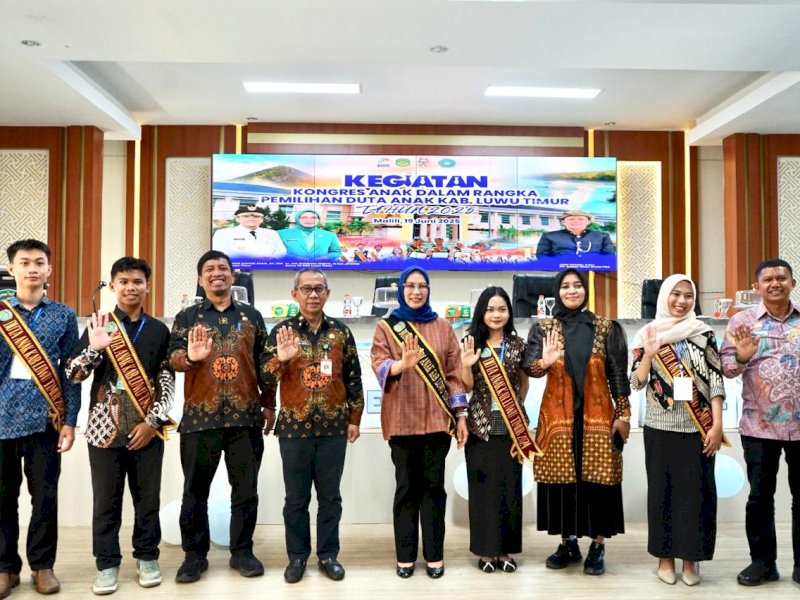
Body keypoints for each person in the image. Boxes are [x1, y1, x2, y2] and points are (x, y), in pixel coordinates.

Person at [66, 257, 175, 595]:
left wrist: (152, 422)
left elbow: (166, 378)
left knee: (148, 500)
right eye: (124, 281)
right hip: (103, 431)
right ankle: (107, 564)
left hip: (146, 430)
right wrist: (93, 351)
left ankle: (147, 557)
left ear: (147, 286)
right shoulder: (100, 324)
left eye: (137, 281)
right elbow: (74, 373)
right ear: (113, 285)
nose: (131, 287)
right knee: (106, 502)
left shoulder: (158, 330)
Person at [167, 250, 274, 584]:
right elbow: (171, 359)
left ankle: (242, 552)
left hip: (246, 418)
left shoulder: (252, 317)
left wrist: (269, 403)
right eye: (209, 269)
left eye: (223, 269)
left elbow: (266, 365)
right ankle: (194, 557)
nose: (217, 273)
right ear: (200, 279)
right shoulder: (186, 317)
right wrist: (189, 357)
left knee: (245, 491)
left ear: (232, 276)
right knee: (194, 491)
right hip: (201, 419)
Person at [523, 268, 631, 576]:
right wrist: (543, 361)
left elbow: (618, 375)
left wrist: (623, 414)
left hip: (598, 418)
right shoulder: (544, 328)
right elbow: (530, 369)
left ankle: (597, 547)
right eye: (566, 286)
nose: (572, 291)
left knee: (599, 483)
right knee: (563, 485)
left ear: (585, 290)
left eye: (577, 285)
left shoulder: (606, 327)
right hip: (559, 419)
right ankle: (568, 543)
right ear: (557, 291)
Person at [262, 269, 364, 584]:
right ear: (295, 294)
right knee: (296, 499)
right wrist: (280, 359)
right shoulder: (282, 332)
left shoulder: (341, 333)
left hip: (333, 428)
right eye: (306, 289)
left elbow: (354, 379)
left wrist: (355, 419)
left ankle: (328, 555)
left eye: (319, 288)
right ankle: (297, 557)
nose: (313, 294)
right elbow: (264, 379)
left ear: (328, 293)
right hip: (294, 429)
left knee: (330, 497)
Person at [370, 266, 468, 579]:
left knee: (433, 490)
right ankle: (405, 555)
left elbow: (454, 376)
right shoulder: (387, 327)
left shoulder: (443, 326)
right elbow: (378, 364)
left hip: (438, 423)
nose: (416, 291)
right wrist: (400, 365)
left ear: (428, 290)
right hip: (401, 422)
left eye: (422, 286)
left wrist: (460, 415)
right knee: (406, 490)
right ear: (401, 289)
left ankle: (435, 555)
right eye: (410, 286)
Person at [630, 274, 726, 586]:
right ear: (664, 298)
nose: (682, 301)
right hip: (659, 428)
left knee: (696, 496)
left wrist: (717, 426)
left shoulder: (704, 333)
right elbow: (637, 381)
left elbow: (716, 381)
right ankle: (665, 558)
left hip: (698, 429)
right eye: (675, 295)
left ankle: (691, 559)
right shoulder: (648, 333)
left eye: (687, 295)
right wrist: (649, 354)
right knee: (662, 494)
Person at [0, 239, 80, 597]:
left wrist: (70, 419)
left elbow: (71, 375)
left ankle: (42, 566)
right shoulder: (1, 312)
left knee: (45, 498)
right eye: (24, 262)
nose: (32, 268)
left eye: (39, 262)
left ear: (49, 269)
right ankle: (5, 568)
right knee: (2, 499)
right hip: (1, 419)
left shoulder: (63, 315)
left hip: (46, 421)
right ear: (11, 269)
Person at [720, 258, 800, 587]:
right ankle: (763, 563)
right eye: (768, 279)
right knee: (759, 498)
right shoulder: (743, 321)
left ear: (792, 283)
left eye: (782, 278)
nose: (775, 284)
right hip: (759, 426)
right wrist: (741, 354)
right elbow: (726, 368)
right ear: (757, 287)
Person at [459, 287, 536, 574]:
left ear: (509, 312)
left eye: (501, 309)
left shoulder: (518, 344)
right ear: (482, 312)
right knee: (482, 491)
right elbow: (465, 387)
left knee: (509, 490)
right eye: (490, 309)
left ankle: (505, 551)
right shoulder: (471, 343)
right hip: (480, 427)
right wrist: (467, 366)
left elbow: (524, 383)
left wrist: (514, 409)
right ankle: (485, 552)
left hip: (511, 428)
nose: (496, 314)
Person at [211, 205, 286, 259]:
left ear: (262, 219)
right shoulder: (223, 233)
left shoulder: (272, 233)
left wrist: (272, 259)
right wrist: (249, 260)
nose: (251, 219)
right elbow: (220, 253)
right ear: (237, 219)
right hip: (237, 270)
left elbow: (281, 250)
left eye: (256, 216)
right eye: (246, 216)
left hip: (268, 270)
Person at [535, 210, 615, 257]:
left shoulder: (602, 236)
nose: (576, 221)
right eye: (571, 219)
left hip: (594, 272)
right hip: (560, 271)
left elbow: (608, 256)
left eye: (580, 219)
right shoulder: (549, 236)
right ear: (563, 222)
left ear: (588, 221)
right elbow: (542, 256)